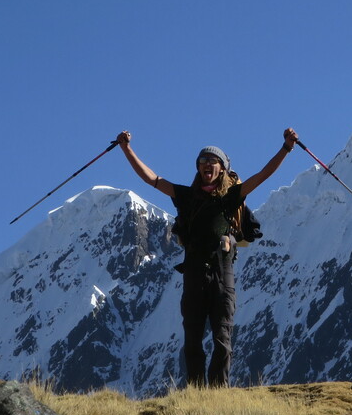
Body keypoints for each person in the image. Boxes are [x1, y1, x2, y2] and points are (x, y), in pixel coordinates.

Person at [116, 127, 298, 387]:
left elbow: (262, 176)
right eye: (202, 161)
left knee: (222, 337)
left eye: (212, 161)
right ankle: (196, 393)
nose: (206, 165)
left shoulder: (231, 197)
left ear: (222, 168)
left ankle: (217, 393)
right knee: (192, 339)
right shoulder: (187, 197)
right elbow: (152, 180)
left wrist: (286, 148)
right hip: (194, 273)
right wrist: (127, 149)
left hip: (222, 273)